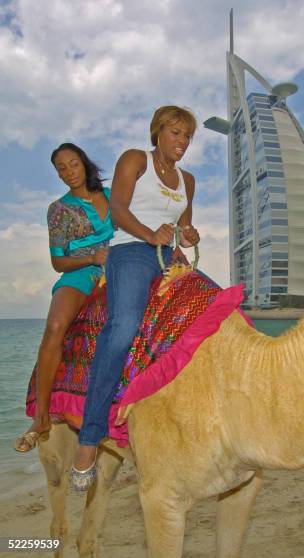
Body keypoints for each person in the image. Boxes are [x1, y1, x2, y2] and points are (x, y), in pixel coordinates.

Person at [70, 106, 201, 490]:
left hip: (169, 256)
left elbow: (184, 225)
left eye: (187, 136)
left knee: (213, 308)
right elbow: (116, 210)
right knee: (123, 327)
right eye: (175, 133)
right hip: (131, 250)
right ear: (158, 133)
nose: (182, 142)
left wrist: (187, 236)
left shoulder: (187, 179)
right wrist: (149, 235)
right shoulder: (135, 159)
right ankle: (89, 438)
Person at [14, 143, 113, 452]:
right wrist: (92, 258)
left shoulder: (113, 195)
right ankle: (42, 417)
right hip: (81, 272)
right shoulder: (58, 209)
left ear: (84, 163)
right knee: (56, 327)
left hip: (118, 266)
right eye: (61, 168)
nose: (69, 172)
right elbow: (58, 262)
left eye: (73, 164)